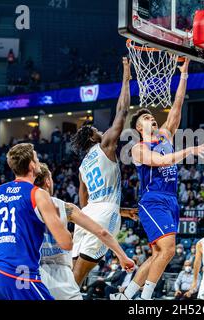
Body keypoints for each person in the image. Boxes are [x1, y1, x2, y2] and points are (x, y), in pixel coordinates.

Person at [0, 162, 136, 300]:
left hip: (29, 273)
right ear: (47, 181)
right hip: (61, 276)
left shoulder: (17, 204)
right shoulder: (65, 207)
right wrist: (122, 256)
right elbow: (101, 232)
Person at [112, 59, 204, 301]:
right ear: (137, 126)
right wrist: (188, 151)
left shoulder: (165, 135)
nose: (151, 118)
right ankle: (145, 298)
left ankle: (126, 296)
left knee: (158, 253)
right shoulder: (137, 148)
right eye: (145, 118)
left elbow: (177, 107)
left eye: (151, 117)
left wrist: (184, 74)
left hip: (170, 200)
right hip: (152, 200)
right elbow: (161, 161)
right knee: (167, 250)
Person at [0, 143, 72, 300]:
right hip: (18, 271)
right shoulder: (37, 194)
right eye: (36, 158)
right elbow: (66, 243)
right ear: (31, 165)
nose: (38, 161)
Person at [70, 57, 132, 285]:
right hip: (104, 214)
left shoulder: (82, 166)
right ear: (91, 137)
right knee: (78, 279)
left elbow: (85, 201)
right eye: (96, 129)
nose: (100, 130)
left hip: (85, 218)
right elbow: (122, 111)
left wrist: (122, 210)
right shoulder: (104, 145)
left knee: (72, 277)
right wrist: (126, 77)